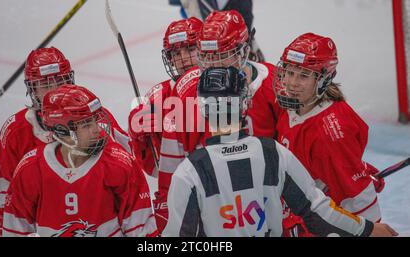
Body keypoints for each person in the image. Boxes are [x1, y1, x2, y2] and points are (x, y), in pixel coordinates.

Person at [162, 66, 397, 237]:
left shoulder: (188, 172)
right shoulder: (273, 153)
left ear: (203, 109)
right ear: (245, 104)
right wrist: (367, 229)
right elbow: (317, 213)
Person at [155, 10, 280, 233]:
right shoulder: (187, 93)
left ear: (244, 51)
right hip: (215, 207)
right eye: (207, 56)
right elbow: (171, 171)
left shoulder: (274, 82)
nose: (214, 65)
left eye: (223, 55)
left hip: (268, 200)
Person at [0, 47, 129, 236]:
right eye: (45, 85)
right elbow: (6, 197)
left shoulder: (95, 118)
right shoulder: (15, 130)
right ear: (32, 89)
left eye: (60, 80)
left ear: (70, 80)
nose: (54, 90)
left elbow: (129, 170)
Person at [2, 85, 157, 237]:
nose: (97, 129)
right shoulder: (30, 170)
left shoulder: (119, 164)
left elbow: (143, 234)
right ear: (62, 131)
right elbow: (14, 231)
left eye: (95, 120)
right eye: (86, 124)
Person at [273, 33, 385, 237]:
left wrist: (371, 229)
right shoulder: (293, 105)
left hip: (317, 224)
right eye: (289, 72)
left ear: (323, 79)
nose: (292, 83)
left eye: (304, 75)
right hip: (294, 216)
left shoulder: (330, 132)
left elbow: (358, 198)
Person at [128, 17, 203, 178]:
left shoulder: (227, 86)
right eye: (176, 53)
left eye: (189, 49)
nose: (183, 58)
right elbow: (154, 169)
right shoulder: (157, 97)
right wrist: (139, 140)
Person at [178, 0, 264, 62]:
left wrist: (247, 43)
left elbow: (245, 23)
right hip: (208, 51)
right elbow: (192, 19)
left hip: (239, 49)